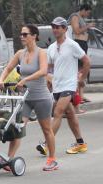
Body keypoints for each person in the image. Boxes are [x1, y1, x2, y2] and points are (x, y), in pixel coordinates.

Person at [0, 24, 58, 171]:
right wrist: (1, 79)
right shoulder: (20, 54)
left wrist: (25, 80)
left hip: (41, 97)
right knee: (18, 127)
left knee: (46, 129)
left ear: (34, 36)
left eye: (25, 34)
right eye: (21, 34)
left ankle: (52, 159)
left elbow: (44, 70)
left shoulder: (41, 52)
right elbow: (8, 68)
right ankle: (8, 159)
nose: (22, 37)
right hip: (25, 99)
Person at [36, 17, 90, 155]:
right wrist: (48, 82)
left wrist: (81, 79)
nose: (55, 29)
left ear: (65, 29)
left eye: (58, 27)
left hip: (69, 85)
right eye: (53, 26)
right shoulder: (52, 48)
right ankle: (80, 143)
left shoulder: (72, 45)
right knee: (70, 114)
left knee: (58, 112)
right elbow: (49, 68)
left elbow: (86, 61)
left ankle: (46, 144)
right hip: (57, 86)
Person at [68, 4, 94, 113]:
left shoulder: (81, 18)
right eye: (87, 12)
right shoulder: (75, 17)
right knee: (78, 74)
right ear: (83, 10)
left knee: (82, 73)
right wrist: (88, 26)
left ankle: (80, 99)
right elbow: (77, 31)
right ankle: (76, 103)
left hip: (83, 44)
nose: (87, 15)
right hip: (78, 43)